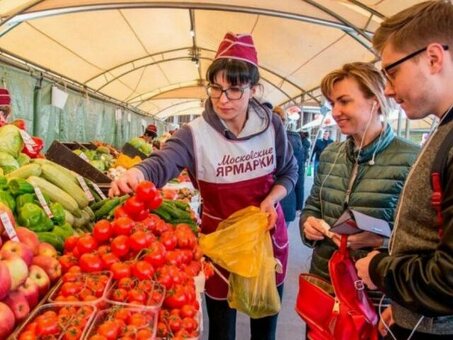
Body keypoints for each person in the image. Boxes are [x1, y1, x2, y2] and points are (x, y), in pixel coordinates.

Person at [110, 32, 298, 340]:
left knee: (264, 326)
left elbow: (288, 172)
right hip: (219, 242)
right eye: (216, 88)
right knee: (221, 328)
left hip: (263, 239)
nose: (223, 99)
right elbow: (163, 162)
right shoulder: (194, 134)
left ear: (253, 89)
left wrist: (272, 198)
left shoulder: (271, 126)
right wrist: (139, 174)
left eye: (235, 89)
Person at [355, 1, 453, 338]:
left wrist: (379, 269)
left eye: (391, 71)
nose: (389, 89)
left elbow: (450, 277)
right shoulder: (442, 130)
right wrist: (405, 310)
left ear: (434, 58)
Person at [299, 62, 419, 310]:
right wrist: (307, 225)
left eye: (344, 101)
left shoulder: (412, 159)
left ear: (375, 101)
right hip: (325, 284)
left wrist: (380, 242)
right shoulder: (332, 154)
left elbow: (423, 238)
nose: (335, 112)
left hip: (374, 296)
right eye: (332, 104)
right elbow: (312, 206)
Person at [274, 106, 308, 223]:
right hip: (286, 199)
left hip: (261, 202)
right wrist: (299, 203)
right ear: (285, 122)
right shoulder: (294, 140)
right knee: (281, 238)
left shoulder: (259, 138)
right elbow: (299, 175)